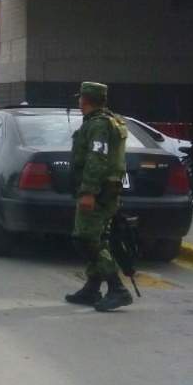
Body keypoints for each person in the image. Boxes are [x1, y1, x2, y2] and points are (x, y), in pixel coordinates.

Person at [64, 81, 132, 311]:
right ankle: (92, 288)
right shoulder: (109, 121)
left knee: (86, 238)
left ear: (85, 100)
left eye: (80, 98)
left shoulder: (99, 125)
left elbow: (96, 159)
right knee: (96, 238)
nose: (78, 101)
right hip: (107, 190)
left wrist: (88, 192)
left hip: (99, 192)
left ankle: (117, 288)